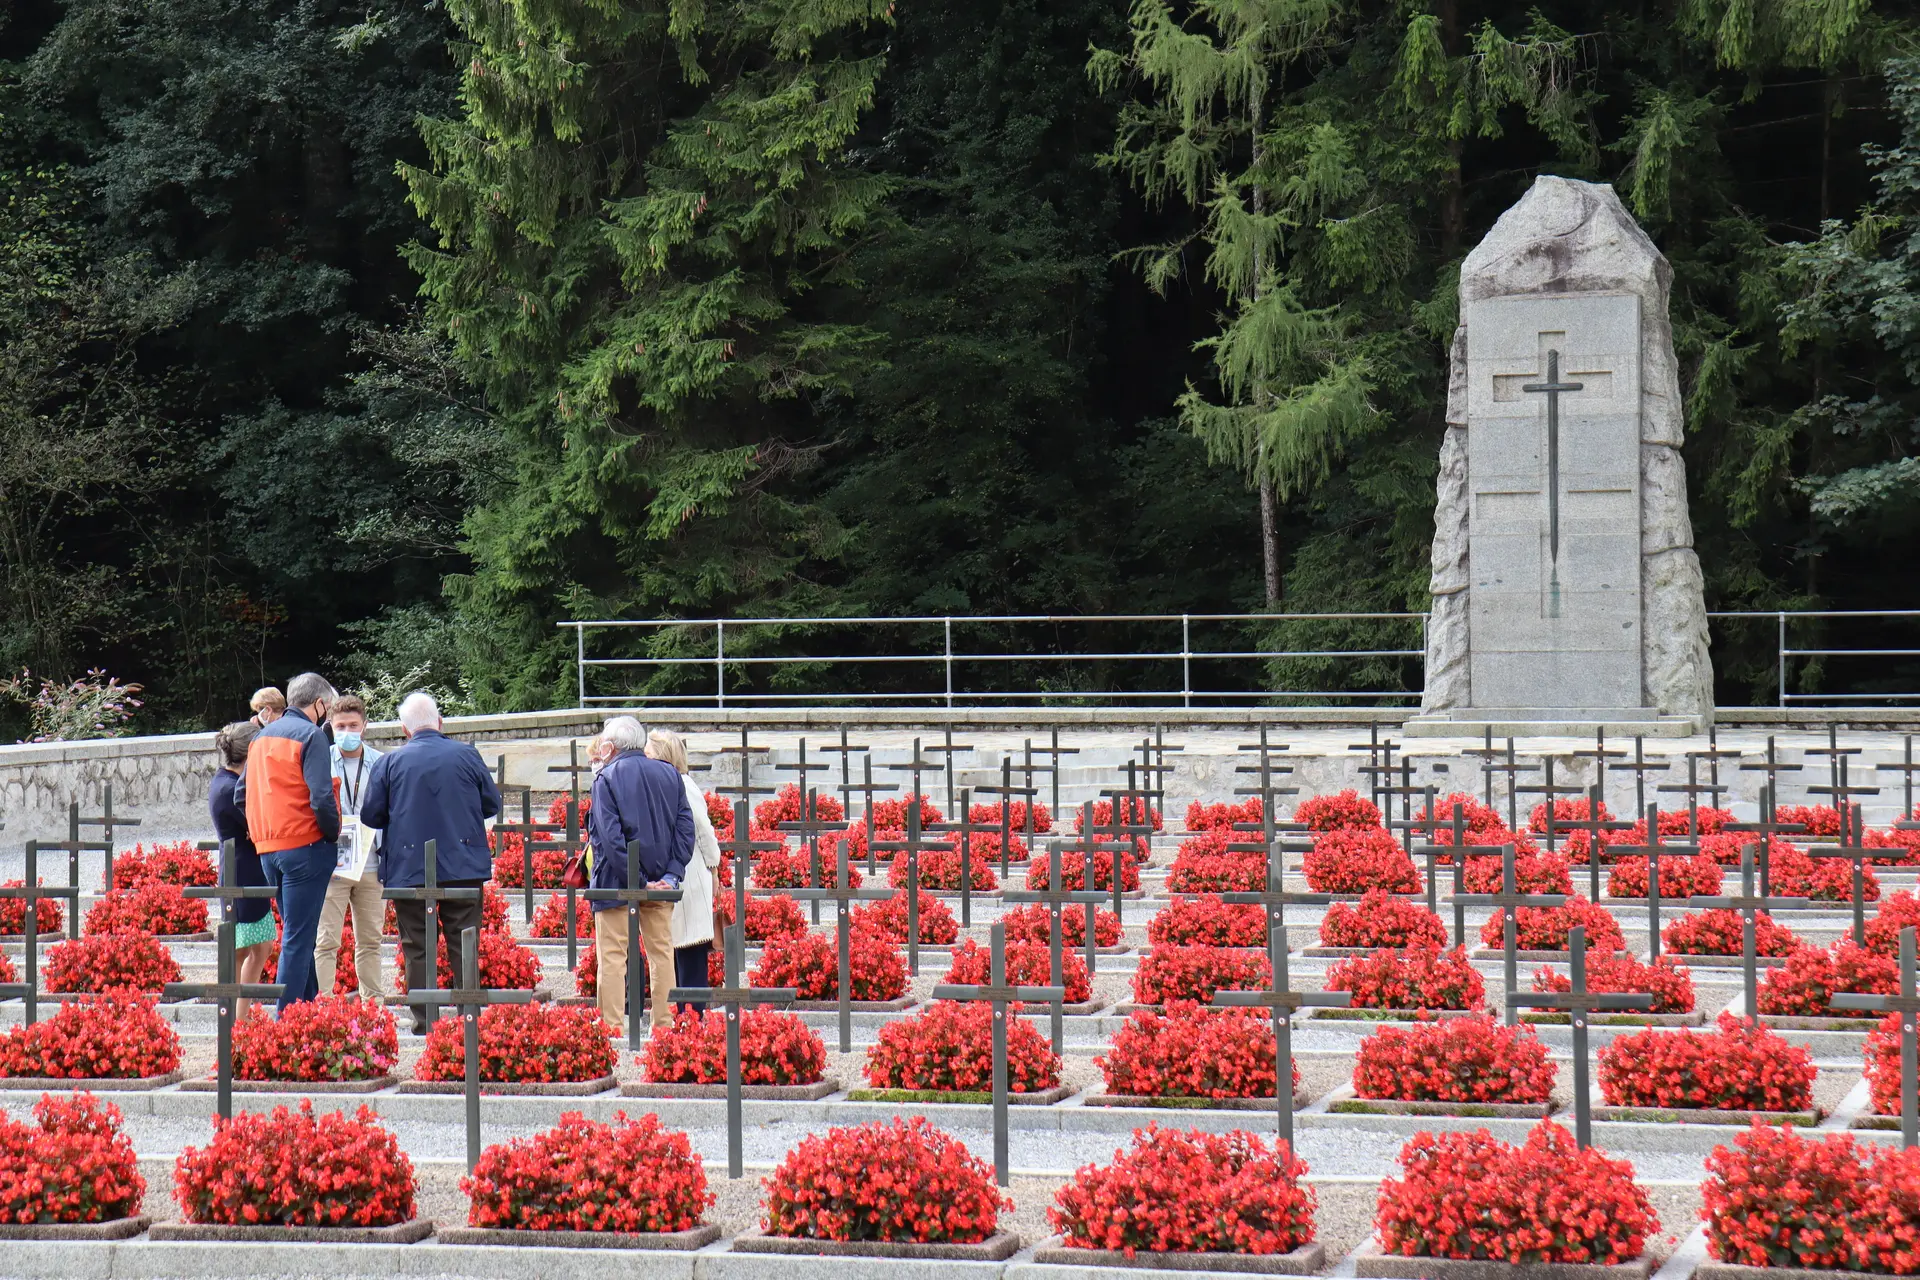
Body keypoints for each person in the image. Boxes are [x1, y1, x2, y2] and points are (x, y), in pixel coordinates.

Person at [363, 691, 500, 1034]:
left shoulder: (390, 763)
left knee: (417, 944)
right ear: (440, 722)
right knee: (464, 939)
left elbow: (371, 815)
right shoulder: (467, 755)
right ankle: (470, 1016)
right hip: (463, 865)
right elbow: (490, 804)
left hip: (410, 870)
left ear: (405, 730)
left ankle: (426, 1020)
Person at [239, 672, 339, 1012]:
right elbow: (322, 798)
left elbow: (242, 795)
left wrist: (262, 829)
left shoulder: (261, 738)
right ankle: (288, 1021)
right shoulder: (312, 736)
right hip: (306, 846)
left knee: (300, 932)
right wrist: (333, 834)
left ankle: (309, 1010)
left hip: (269, 849)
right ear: (320, 704)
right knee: (298, 937)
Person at [588, 716, 692, 1035]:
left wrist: (637, 880)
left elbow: (609, 836)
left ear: (612, 746)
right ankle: (663, 1026)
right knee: (662, 955)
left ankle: (612, 1028)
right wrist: (671, 874)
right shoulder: (669, 774)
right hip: (661, 879)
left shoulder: (605, 778)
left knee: (613, 957)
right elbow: (684, 829)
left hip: (615, 882)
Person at [315, 694, 385, 1001]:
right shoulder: (321, 760)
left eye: (353, 725)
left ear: (364, 726)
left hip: (371, 860)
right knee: (326, 940)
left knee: (370, 941)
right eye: (341, 725)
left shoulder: (381, 762)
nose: (347, 731)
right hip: (335, 862)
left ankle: (374, 1005)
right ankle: (323, 1005)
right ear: (330, 725)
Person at [646, 729, 720, 1013]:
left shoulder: (684, 784)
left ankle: (694, 1019)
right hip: (675, 876)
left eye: (649, 753)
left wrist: (714, 869)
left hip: (691, 876)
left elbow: (703, 831)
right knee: (677, 947)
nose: (645, 759)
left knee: (691, 949)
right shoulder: (661, 784)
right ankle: (683, 1017)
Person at [209, 722, 275, 1020]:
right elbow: (259, 826)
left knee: (260, 946)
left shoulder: (228, 781)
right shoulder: (231, 788)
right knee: (241, 949)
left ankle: (241, 1015)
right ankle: (234, 1017)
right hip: (241, 872)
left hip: (247, 868)